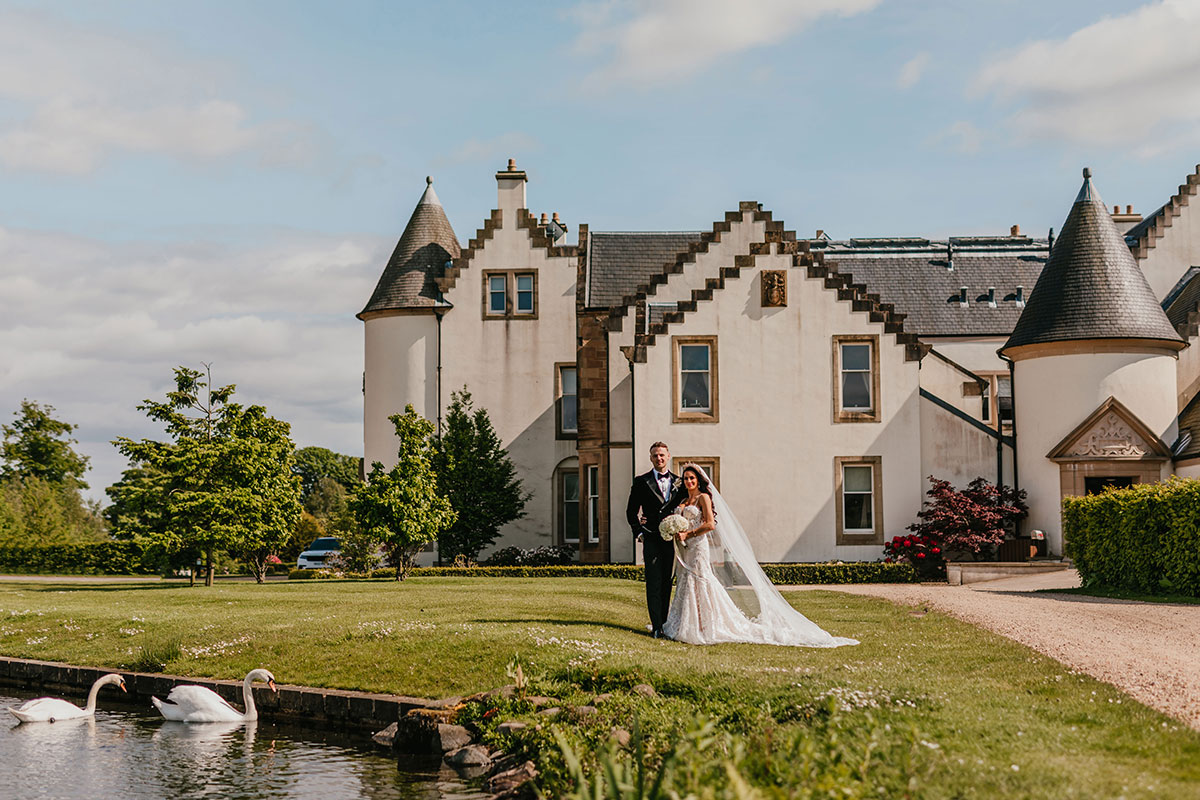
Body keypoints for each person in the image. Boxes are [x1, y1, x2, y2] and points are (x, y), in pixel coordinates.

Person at [662, 464, 858, 647]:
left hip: (698, 546)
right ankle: (684, 623)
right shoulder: (682, 501)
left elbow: (711, 524)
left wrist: (689, 534)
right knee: (686, 582)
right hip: (685, 548)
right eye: (686, 479)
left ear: (698, 480)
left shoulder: (703, 497)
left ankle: (704, 625)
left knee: (701, 581)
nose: (689, 482)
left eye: (692, 478)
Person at [626, 441, 685, 638]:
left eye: (661, 455)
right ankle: (657, 626)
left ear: (668, 456)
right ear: (651, 458)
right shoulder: (641, 481)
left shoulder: (679, 483)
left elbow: (687, 506)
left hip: (670, 540)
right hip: (650, 538)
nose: (658, 458)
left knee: (667, 582)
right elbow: (631, 511)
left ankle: (666, 623)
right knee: (653, 581)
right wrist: (639, 533)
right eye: (654, 456)